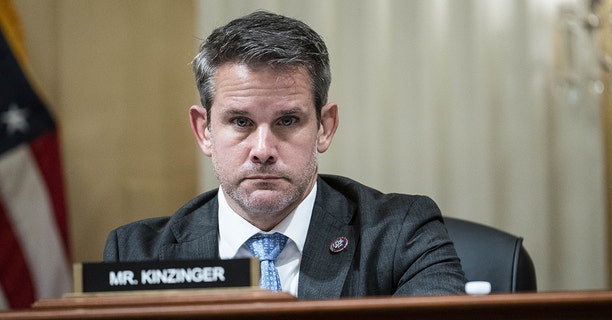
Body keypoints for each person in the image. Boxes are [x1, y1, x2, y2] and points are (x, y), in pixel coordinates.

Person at [103, 10, 467, 299]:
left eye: (288, 120)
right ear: (204, 131)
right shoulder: (136, 254)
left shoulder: (401, 234)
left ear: (324, 127)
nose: (263, 151)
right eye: (241, 121)